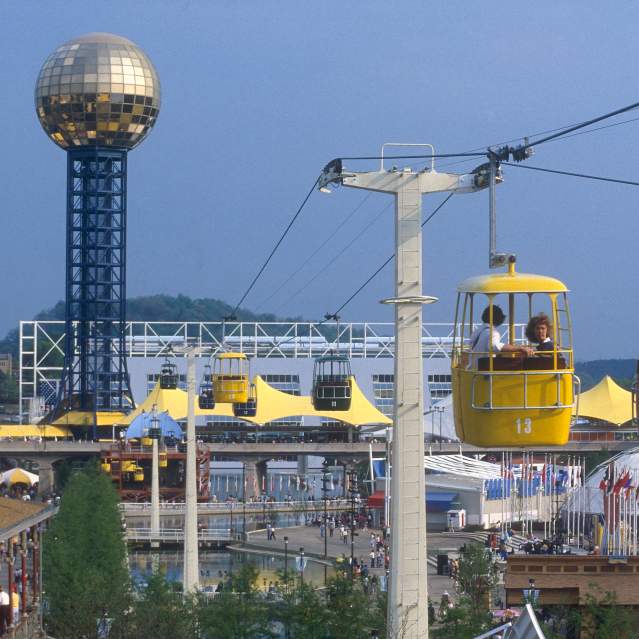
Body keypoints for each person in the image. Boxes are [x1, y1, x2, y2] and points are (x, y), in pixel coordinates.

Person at [469, 305, 534, 367]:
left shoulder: (477, 331)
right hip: (483, 372)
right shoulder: (493, 333)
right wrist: (520, 348)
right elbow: (494, 346)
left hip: (472, 369)